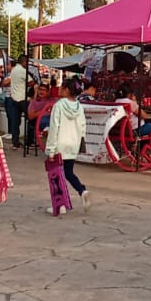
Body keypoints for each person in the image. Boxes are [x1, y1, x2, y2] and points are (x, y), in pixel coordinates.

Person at [44, 79, 90, 212]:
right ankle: (82, 191)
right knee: (68, 172)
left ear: (66, 90)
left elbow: (54, 128)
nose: (59, 89)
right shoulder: (79, 107)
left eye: (62, 87)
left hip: (59, 145)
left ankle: (60, 205)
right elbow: (83, 127)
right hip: (73, 144)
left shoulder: (58, 106)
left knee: (56, 175)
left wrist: (50, 150)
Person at [114, 88, 151, 162]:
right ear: (129, 95)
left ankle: (140, 151)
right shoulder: (130, 103)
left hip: (124, 131)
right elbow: (144, 115)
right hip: (137, 129)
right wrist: (135, 102)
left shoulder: (116, 102)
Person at [7, 55, 29, 148]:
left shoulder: (14, 70)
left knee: (15, 121)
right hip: (22, 98)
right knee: (30, 119)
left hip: (14, 98)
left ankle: (15, 142)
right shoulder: (23, 71)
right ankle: (30, 140)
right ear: (24, 62)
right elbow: (31, 82)